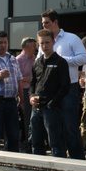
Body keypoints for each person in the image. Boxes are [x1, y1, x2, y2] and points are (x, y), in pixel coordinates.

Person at [40, 9, 86, 159]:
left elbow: (84, 58)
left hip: (69, 89)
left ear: (55, 22)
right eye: (43, 23)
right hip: (50, 92)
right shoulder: (43, 42)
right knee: (53, 129)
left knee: (70, 127)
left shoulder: (71, 38)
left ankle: (78, 162)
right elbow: (39, 64)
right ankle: (58, 162)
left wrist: (61, 60)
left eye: (47, 23)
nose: (44, 26)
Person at [30, 29, 70, 157]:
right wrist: (31, 97)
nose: (44, 46)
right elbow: (32, 83)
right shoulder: (37, 62)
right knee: (36, 142)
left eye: (47, 42)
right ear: (38, 44)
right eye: (42, 43)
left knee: (56, 143)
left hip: (51, 108)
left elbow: (65, 86)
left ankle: (59, 167)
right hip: (36, 108)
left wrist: (52, 103)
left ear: (53, 42)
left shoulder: (61, 62)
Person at [17, 37, 37, 153]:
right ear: (25, 47)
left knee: (32, 119)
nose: (35, 48)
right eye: (33, 46)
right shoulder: (18, 60)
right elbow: (16, 78)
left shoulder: (35, 58)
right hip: (23, 91)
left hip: (33, 91)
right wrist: (29, 79)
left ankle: (32, 142)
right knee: (25, 118)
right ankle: (25, 145)